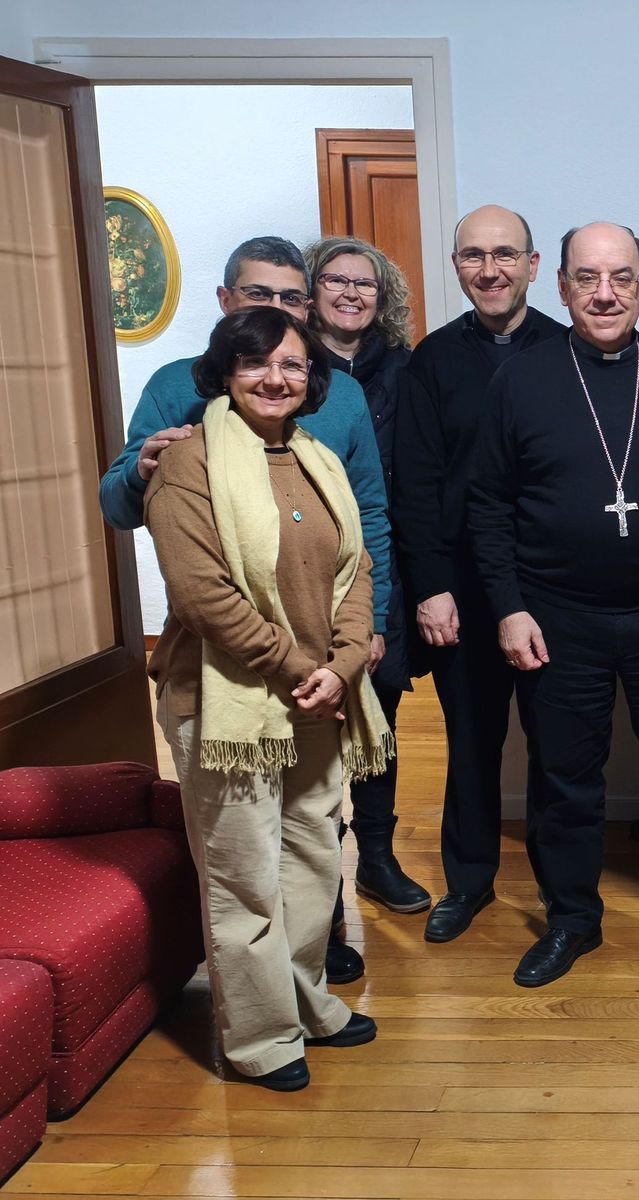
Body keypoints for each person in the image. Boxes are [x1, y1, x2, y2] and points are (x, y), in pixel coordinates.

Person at [100, 235, 392, 987]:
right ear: (227, 304)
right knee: (244, 854)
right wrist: (142, 469)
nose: (277, 320)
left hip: (328, 657)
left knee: (312, 834)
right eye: (259, 297)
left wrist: (365, 635)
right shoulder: (179, 395)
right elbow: (123, 507)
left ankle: (311, 969)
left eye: (292, 300)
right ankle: (262, 1022)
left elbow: (366, 526)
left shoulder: (339, 398)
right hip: (231, 668)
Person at [469, 221, 639, 990]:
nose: (604, 293)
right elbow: (487, 503)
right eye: (587, 277)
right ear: (562, 286)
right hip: (559, 617)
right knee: (565, 779)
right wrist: (509, 606)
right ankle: (572, 920)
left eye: (621, 278)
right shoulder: (521, 379)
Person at [144, 307, 393, 1091]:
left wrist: (346, 663)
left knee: (314, 860)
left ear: (312, 378)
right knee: (244, 873)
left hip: (319, 695)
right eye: (255, 365)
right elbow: (201, 594)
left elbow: (355, 573)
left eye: (291, 365)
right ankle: (258, 1037)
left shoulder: (318, 457)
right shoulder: (190, 464)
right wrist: (297, 666)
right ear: (224, 373)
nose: (275, 379)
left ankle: (306, 1002)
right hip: (226, 702)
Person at [393, 205, 566, 943]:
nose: (489, 269)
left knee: (558, 747)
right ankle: (468, 883)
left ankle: (566, 893)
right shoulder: (431, 360)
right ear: (457, 266)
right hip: (461, 587)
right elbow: (415, 481)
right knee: (471, 743)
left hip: (554, 586)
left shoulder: (569, 351)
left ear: (532, 266)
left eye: (505, 255)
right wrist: (430, 583)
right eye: (473, 256)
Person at [302, 235, 430, 919]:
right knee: (308, 727)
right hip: (305, 569)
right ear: (312, 289)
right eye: (336, 280)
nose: (351, 293)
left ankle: (376, 858)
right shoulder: (283, 366)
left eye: (366, 284)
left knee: (377, 717)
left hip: (385, 567)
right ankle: (318, 871)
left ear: (384, 298)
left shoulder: (409, 369)